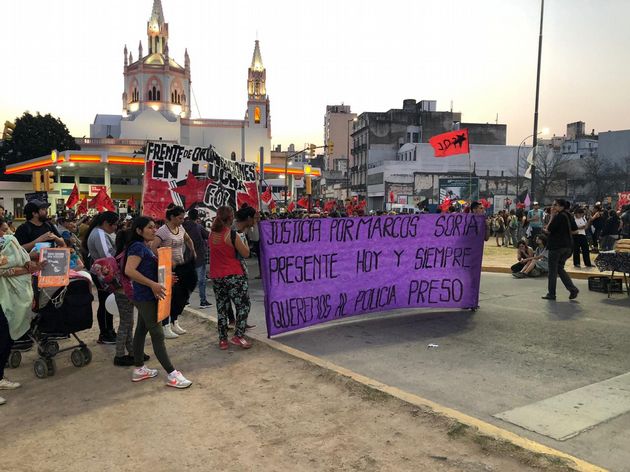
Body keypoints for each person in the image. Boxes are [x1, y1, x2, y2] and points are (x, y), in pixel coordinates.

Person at [124, 216, 192, 388]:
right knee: (158, 334)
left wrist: (167, 279)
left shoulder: (144, 246)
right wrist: (153, 284)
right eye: (150, 228)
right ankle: (172, 374)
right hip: (144, 297)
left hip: (147, 295)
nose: (154, 230)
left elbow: (149, 270)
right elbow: (129, 270)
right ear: (139, 231)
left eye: (155, 227)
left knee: (140, 330)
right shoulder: (137, 247)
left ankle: (139, 368)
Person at [0, 218, 46, 405]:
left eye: (6, 229)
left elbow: (15, 262)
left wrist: (28, 262)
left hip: (7, 298)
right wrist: (25, 266)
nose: (7, 233)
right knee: (2, 335)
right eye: (3, 230)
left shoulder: (9, 242)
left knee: (6, 338)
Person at [209, 206, 252, 350]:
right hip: (233, 276)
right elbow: (246, 253)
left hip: (217, 277)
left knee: (222, 308)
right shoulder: (232, 235)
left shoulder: (212, 234)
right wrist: (244, 237)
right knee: (244, 305)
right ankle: (238, 335)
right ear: (231, 217)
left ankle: (223, 340)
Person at [151, 205, 197, 339]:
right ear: (172, 217)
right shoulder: (163, 231)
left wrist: (192, 250)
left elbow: (188, 239)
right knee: (167, 297)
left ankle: (175, 321)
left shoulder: (181, 228)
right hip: (165, 268)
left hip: (180, 266)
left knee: (180, 296)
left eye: (183, 218)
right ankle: (165, 325)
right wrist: (165, 260)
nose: (182, 220)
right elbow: (154, 248)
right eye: (180, 218)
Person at [83, 211, 120, 344]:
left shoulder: (99, 232)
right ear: (105, 223)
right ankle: (105, 333)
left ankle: (108, 330)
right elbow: (107, 255)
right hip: (103, 273)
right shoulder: (99, 234)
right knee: (105, 303)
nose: (115, 227)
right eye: (113, 225)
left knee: (106, 302)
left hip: (102, 271)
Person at [542, 199, 579, 301]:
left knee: (552, 271)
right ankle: (573, 289)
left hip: (556, 247)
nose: (553, 207)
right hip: (567, 247)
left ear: (562, 207)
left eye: (555, 205)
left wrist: (552, 216)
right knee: (559, 268)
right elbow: (575, 231)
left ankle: (551, 294)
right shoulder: (569, 216)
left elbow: (548, 230)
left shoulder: (558, 216)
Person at [182, 208, 211, 309]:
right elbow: (208, 236)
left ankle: (185, 300)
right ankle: (203, 301)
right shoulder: (198, 227)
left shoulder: (182, 227)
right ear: (197, 216)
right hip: (199, 257)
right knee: (201, 280)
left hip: (186, 257)